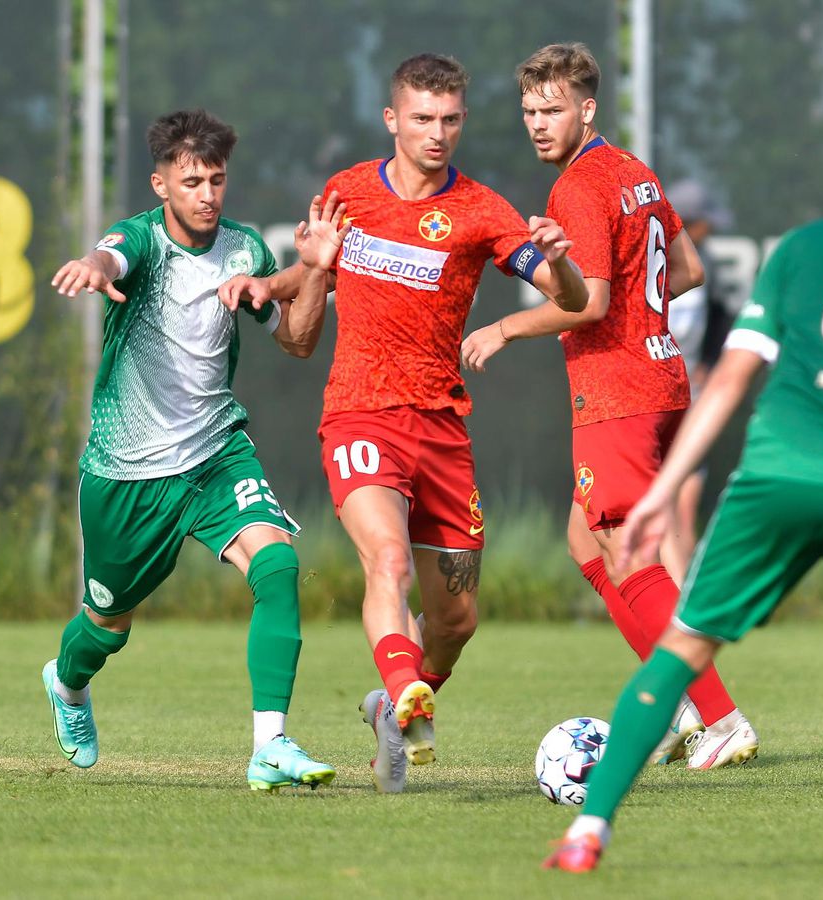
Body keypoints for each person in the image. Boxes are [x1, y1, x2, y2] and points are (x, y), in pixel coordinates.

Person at [543, 103, 823, 875]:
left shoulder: (803, 249)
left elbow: (731, 379)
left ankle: (589, 833)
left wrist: (667, 485)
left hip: (783, 469)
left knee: (683, 647)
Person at [219, 54, 587, 794]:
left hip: (442, 430)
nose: (436, 133)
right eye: (422, 118)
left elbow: (571, 298)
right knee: (386, 561)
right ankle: (404, 692)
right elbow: (319, 279)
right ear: (393, 119)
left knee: (455, 621)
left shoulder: (482, 210)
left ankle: (394, 706)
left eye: (450, 120)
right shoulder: (349, 192)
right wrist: (279, 280)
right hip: (360, 415)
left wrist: (561, 262)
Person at [461, 42, 756, 771]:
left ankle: (718, 715)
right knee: (583, 541)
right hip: (664, 379)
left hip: (618, 391)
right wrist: (637, 309)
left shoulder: (578, 188)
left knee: (626, 553)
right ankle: (680, 704)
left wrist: (505, 327)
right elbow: (686, 269)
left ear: (587, 109)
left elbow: (588, 305)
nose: (538, 123)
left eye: (552, 109)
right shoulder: (635, 172)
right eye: (529, 111)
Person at [43, 108, 341, 793]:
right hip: (127, 473)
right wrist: (93, 265)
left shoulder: (245, 250)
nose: (207, 195)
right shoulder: (140, 240)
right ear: (161, 185)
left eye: (216, 180)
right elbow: (112, 255)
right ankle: (66, 684)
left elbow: (298, 342)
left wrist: (315, 272)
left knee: (277, 564)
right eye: (192, 182)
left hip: (215, 453)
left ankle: (270, 746)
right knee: (106, 627)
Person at [662, 180, 736, 582]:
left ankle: (684, 596)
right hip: (651, 391)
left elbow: (722, 317)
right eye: (706, 222)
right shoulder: (646, 256)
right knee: (658, 504)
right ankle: (662, 593)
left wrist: (707, 363)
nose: (711, 230)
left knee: (686, 503)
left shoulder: (704, 262)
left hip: (692, 389)